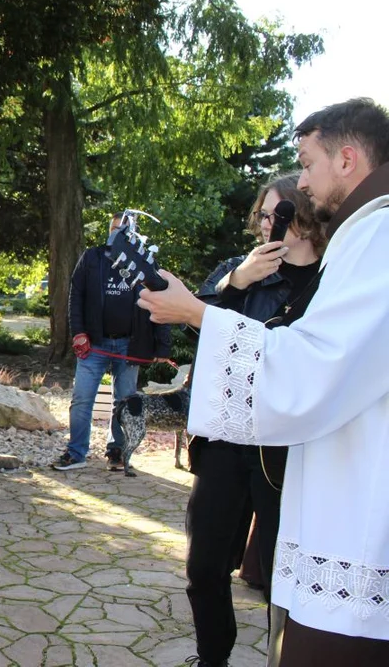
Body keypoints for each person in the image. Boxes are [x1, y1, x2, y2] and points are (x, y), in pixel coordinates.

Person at [138, 98, 389, 664]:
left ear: (347, 159)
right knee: (207, 561)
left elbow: (310, 364)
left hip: (317, 468)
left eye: (306, 162)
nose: (302, 179)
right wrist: (223, 291)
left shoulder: (374, 236)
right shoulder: (351, 238)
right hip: (248, 445)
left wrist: (200, 315)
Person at [184, 174, 325, 667]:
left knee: (281, 572)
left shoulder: (331, 278)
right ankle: (212, 657)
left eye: (280, 214)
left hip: (288, 447)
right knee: (204, 566)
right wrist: (236, 281)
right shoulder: (235, 272)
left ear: (307, 218)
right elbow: (194, 319)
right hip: (227, 437)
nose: (270, 225)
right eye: (264, 215)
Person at [52, 214, 172, 471]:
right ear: (109, 230)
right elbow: (76, 296)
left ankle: (117, 451)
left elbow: (162, 300)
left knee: (125, 402)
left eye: (125, 230)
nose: (119, 234)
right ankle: (76, 453)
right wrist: (78, 332)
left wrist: (162, 346)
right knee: (82, 399)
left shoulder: (144, 262)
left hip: (130, 344)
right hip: (95, 343)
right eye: (115, 229)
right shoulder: (92, 257)